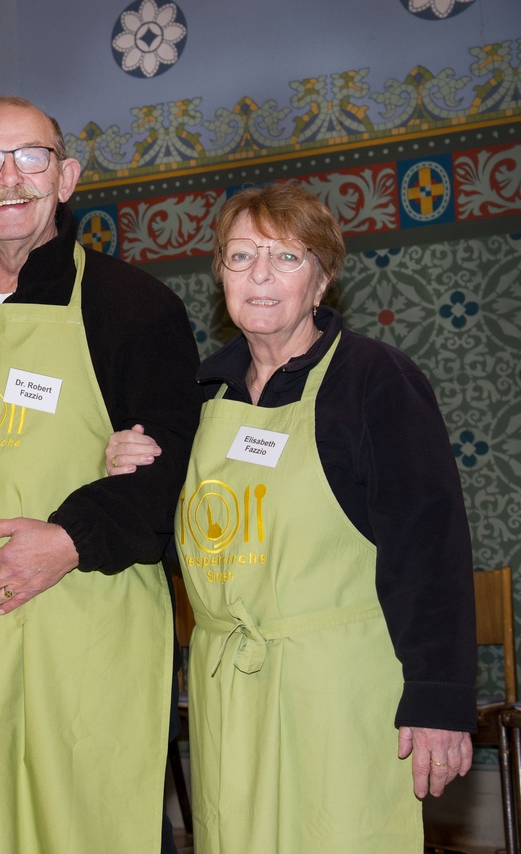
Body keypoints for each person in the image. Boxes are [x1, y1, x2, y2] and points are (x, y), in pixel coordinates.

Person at [105, 182, 476, 851]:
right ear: (220, 275)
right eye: (242, 256)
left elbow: (429, 548)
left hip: (337, 687)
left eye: (286, 257)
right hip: (228, 691)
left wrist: (438, 698)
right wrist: (129, 469)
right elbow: (174, 542)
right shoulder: (198, 396)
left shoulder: (375, 380)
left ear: (322, 278)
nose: (261, 276)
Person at [0, 96, 200, 853]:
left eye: (31, 158)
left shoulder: (137, 308)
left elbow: (174, 470)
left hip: (85, 629)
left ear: (65, 178)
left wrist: (70, 539)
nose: (9, 179)